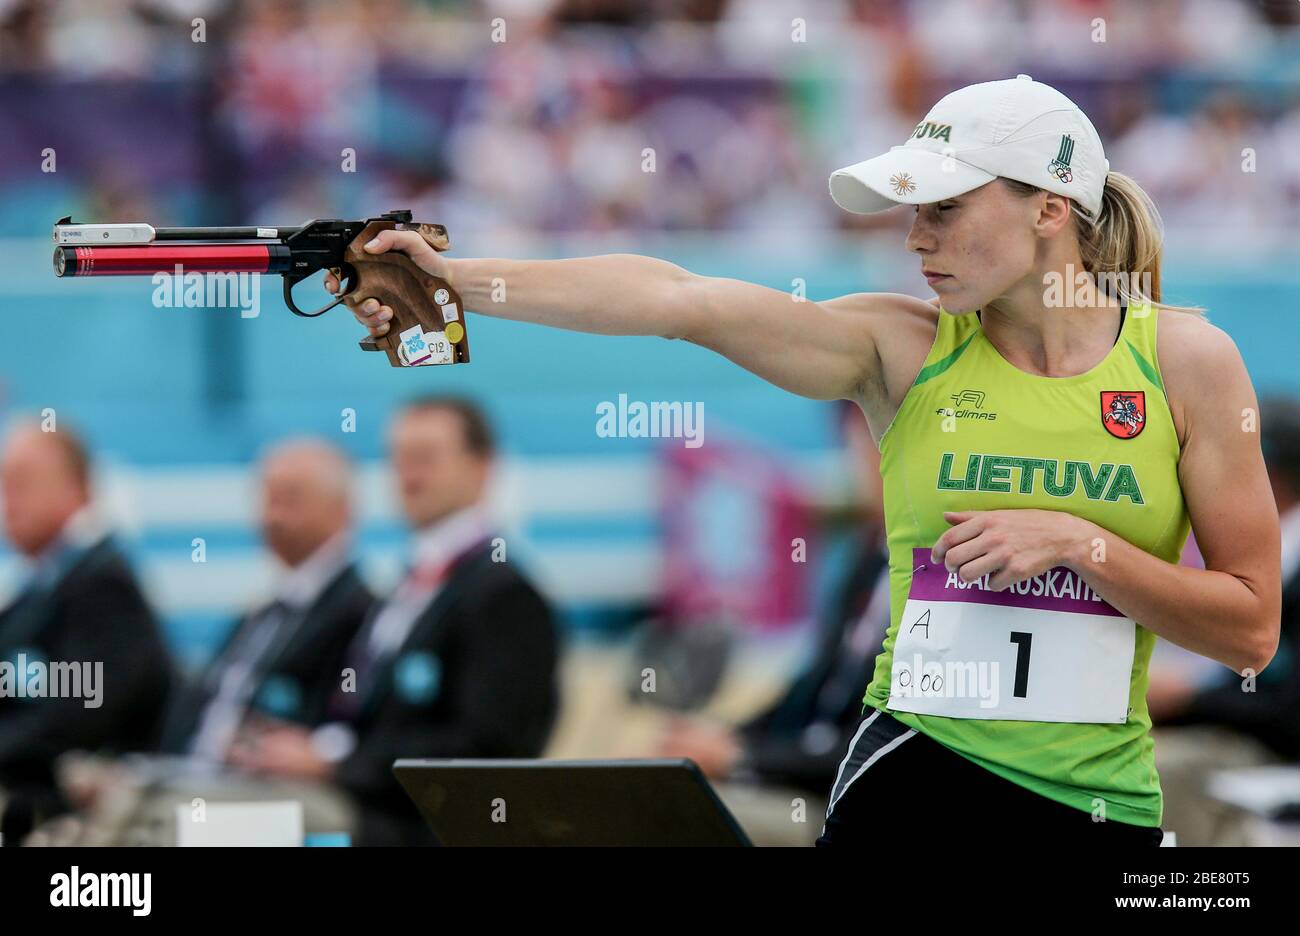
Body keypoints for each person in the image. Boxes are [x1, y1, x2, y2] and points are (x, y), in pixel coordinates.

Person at [330, 75, 1280, 847]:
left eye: (944, 209)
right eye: (912, 215)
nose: (916, 240)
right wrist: (457, 281)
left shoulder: (1188, 365)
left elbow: (1251, 631)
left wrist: (1084, 545)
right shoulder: (900, 349)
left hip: (1100, 811)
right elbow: (677, 300)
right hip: (911, 782)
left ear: (1049, 208)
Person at [228, 397, 561, 845]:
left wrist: (338, 764)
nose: (409, 474)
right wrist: (298, 746)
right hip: (362, 804)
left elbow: (488, 749)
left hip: (419, 826)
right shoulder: (407, 585)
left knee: (220, 821)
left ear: (483, 467)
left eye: (426, 458)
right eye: (399, 458)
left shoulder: (503, 594)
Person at [655, 400, 890, 845]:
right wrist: (723, 736)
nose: (871, 457)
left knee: (669, 815)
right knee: (656, 783)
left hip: (847, 798)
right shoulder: (868, 558)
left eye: (882, 438)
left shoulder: (938, 571)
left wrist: (744, 756)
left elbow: (888, 740)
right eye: (862, 440)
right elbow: (810, 689)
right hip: (802, 779)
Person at [0, 421, 173, 842]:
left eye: (21, 483)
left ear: (78, 488)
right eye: (3, 484)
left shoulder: (101, 583)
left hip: (82, 807)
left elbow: (78, 711)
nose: (8, 501)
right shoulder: (39, 586)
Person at [159, 439, 374, 761]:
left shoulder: (361, 613)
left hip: (266, 792)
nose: (274, 516)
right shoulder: (265, 611)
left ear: (341, 510)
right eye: (269, 499)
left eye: (291, 498)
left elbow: (348, 731)